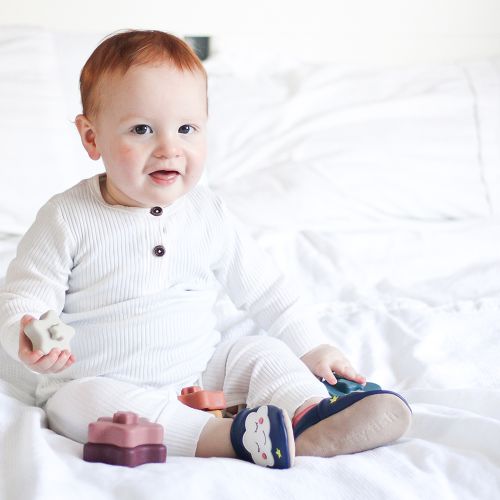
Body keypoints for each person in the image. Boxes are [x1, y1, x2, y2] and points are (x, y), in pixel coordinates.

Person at [0, 30, 411, 468]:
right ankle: (226, 438)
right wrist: (25, 334)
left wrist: (314, 348)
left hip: (196, 373)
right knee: (76, 402)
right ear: (91, 138)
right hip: (100, 377)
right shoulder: (66, 218)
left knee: (258, 351)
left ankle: (310, 413)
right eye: (142, 129)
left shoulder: (207, 212)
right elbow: (24, 297)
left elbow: (265, 289)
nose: (168, 148)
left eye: (186, 128)